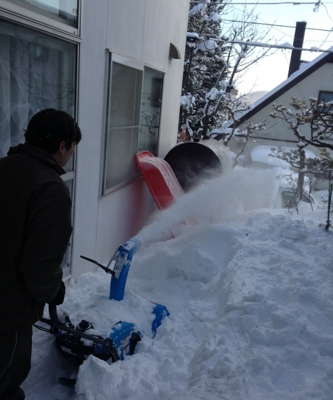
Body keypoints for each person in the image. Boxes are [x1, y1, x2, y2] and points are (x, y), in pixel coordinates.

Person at [0, 109, 82, 400]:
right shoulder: (49, 188)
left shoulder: (5, 166)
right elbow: (39, 266)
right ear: (62, 146)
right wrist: (53, 290)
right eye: (72, 148)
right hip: (8, 312)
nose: (70, 155)